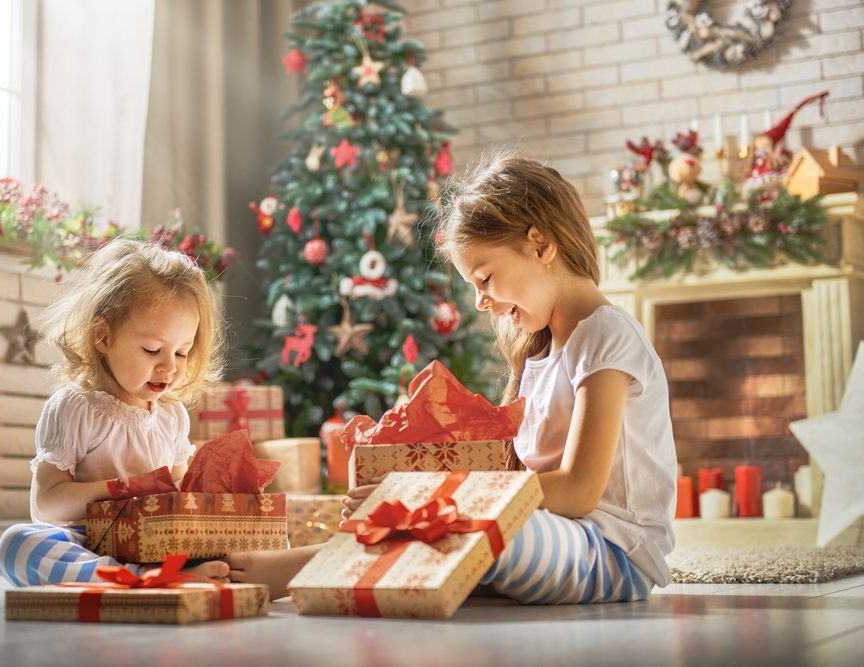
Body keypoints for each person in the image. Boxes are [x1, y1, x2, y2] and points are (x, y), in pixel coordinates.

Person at [229, 150, 677, 604]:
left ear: (540, 245)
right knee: (441, 519)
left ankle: (303, 568)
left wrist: (424, 498)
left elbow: (579, 491)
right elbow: (515, 484)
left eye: (485, 279)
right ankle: (327, 563)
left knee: (454, 518)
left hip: (613, 552)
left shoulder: (606, 333)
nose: (481, 302)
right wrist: (405, 498)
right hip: (550, 537)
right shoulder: (541, 353)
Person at [0, 238, 229, 587]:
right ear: (102, 336)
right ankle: (141, 578)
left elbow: (183, 492)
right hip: (89, 541)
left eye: (182, 353)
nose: (170, 367)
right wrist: (122, 489)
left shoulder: (172, 415)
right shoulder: (76, 408)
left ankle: (167, 574)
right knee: (17, 544)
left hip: (154, 540)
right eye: (152, 350)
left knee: (235, 541)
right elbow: (45, 506)